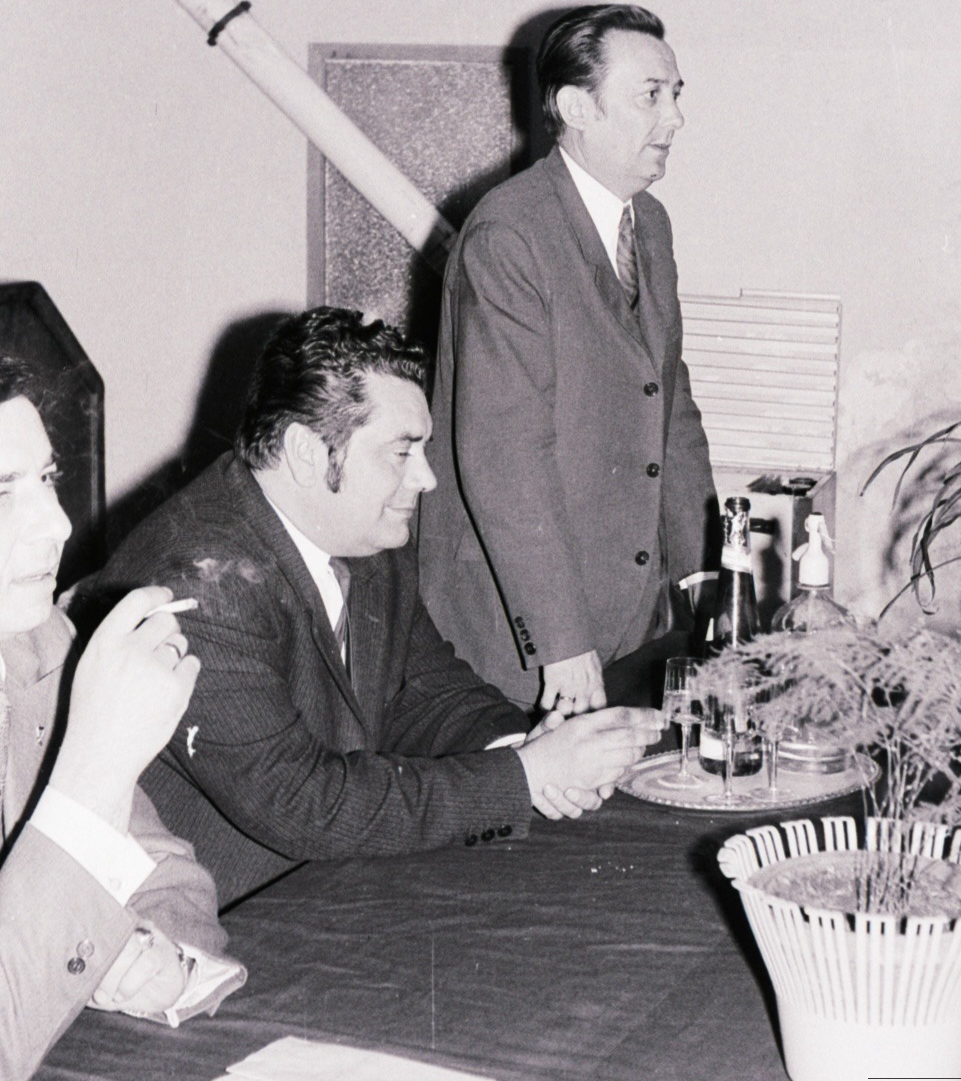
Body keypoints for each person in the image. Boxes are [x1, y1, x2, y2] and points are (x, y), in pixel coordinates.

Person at [97, 310, 662, 909]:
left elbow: (424, 690)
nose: (428, 478)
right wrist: (525, 777)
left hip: (327, 882)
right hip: (218, 921)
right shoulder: (197, 586)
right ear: (306, 452)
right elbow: (301, 802)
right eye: (402, 452)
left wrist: (523, 745)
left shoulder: (362, 530)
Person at [418, 3, 718, 712]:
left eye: (676, 94)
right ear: (576, 106)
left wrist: (705, 581)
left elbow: (669, 416)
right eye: (651, 95)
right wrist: (559, 639)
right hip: (525, 630)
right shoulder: (508, 235)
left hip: (629, 613)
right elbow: (503, 453)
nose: (674, 118)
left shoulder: (648, 224)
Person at [0, 358, 244, 1081]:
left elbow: (166, 874)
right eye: (1, 492)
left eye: (46, 477)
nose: (58, 522)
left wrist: (151, 949)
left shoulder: (37, 642)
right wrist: (95, 769)